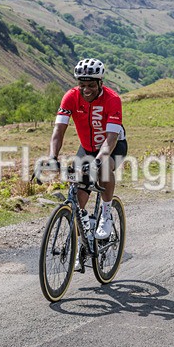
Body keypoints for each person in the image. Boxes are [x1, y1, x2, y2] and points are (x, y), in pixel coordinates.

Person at [47, 58, 127, 240]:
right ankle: (82, 239)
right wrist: (52, 157)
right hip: (87, 148)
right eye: (82, 85)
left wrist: (97, 162)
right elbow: (58, 131)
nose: (86, 89)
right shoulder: (70, 97)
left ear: (100, 83)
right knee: (78, 195)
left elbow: (111, 138)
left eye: (91, 85)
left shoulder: (112, 99)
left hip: (113, 147)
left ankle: (106, 215)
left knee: (104, 168)